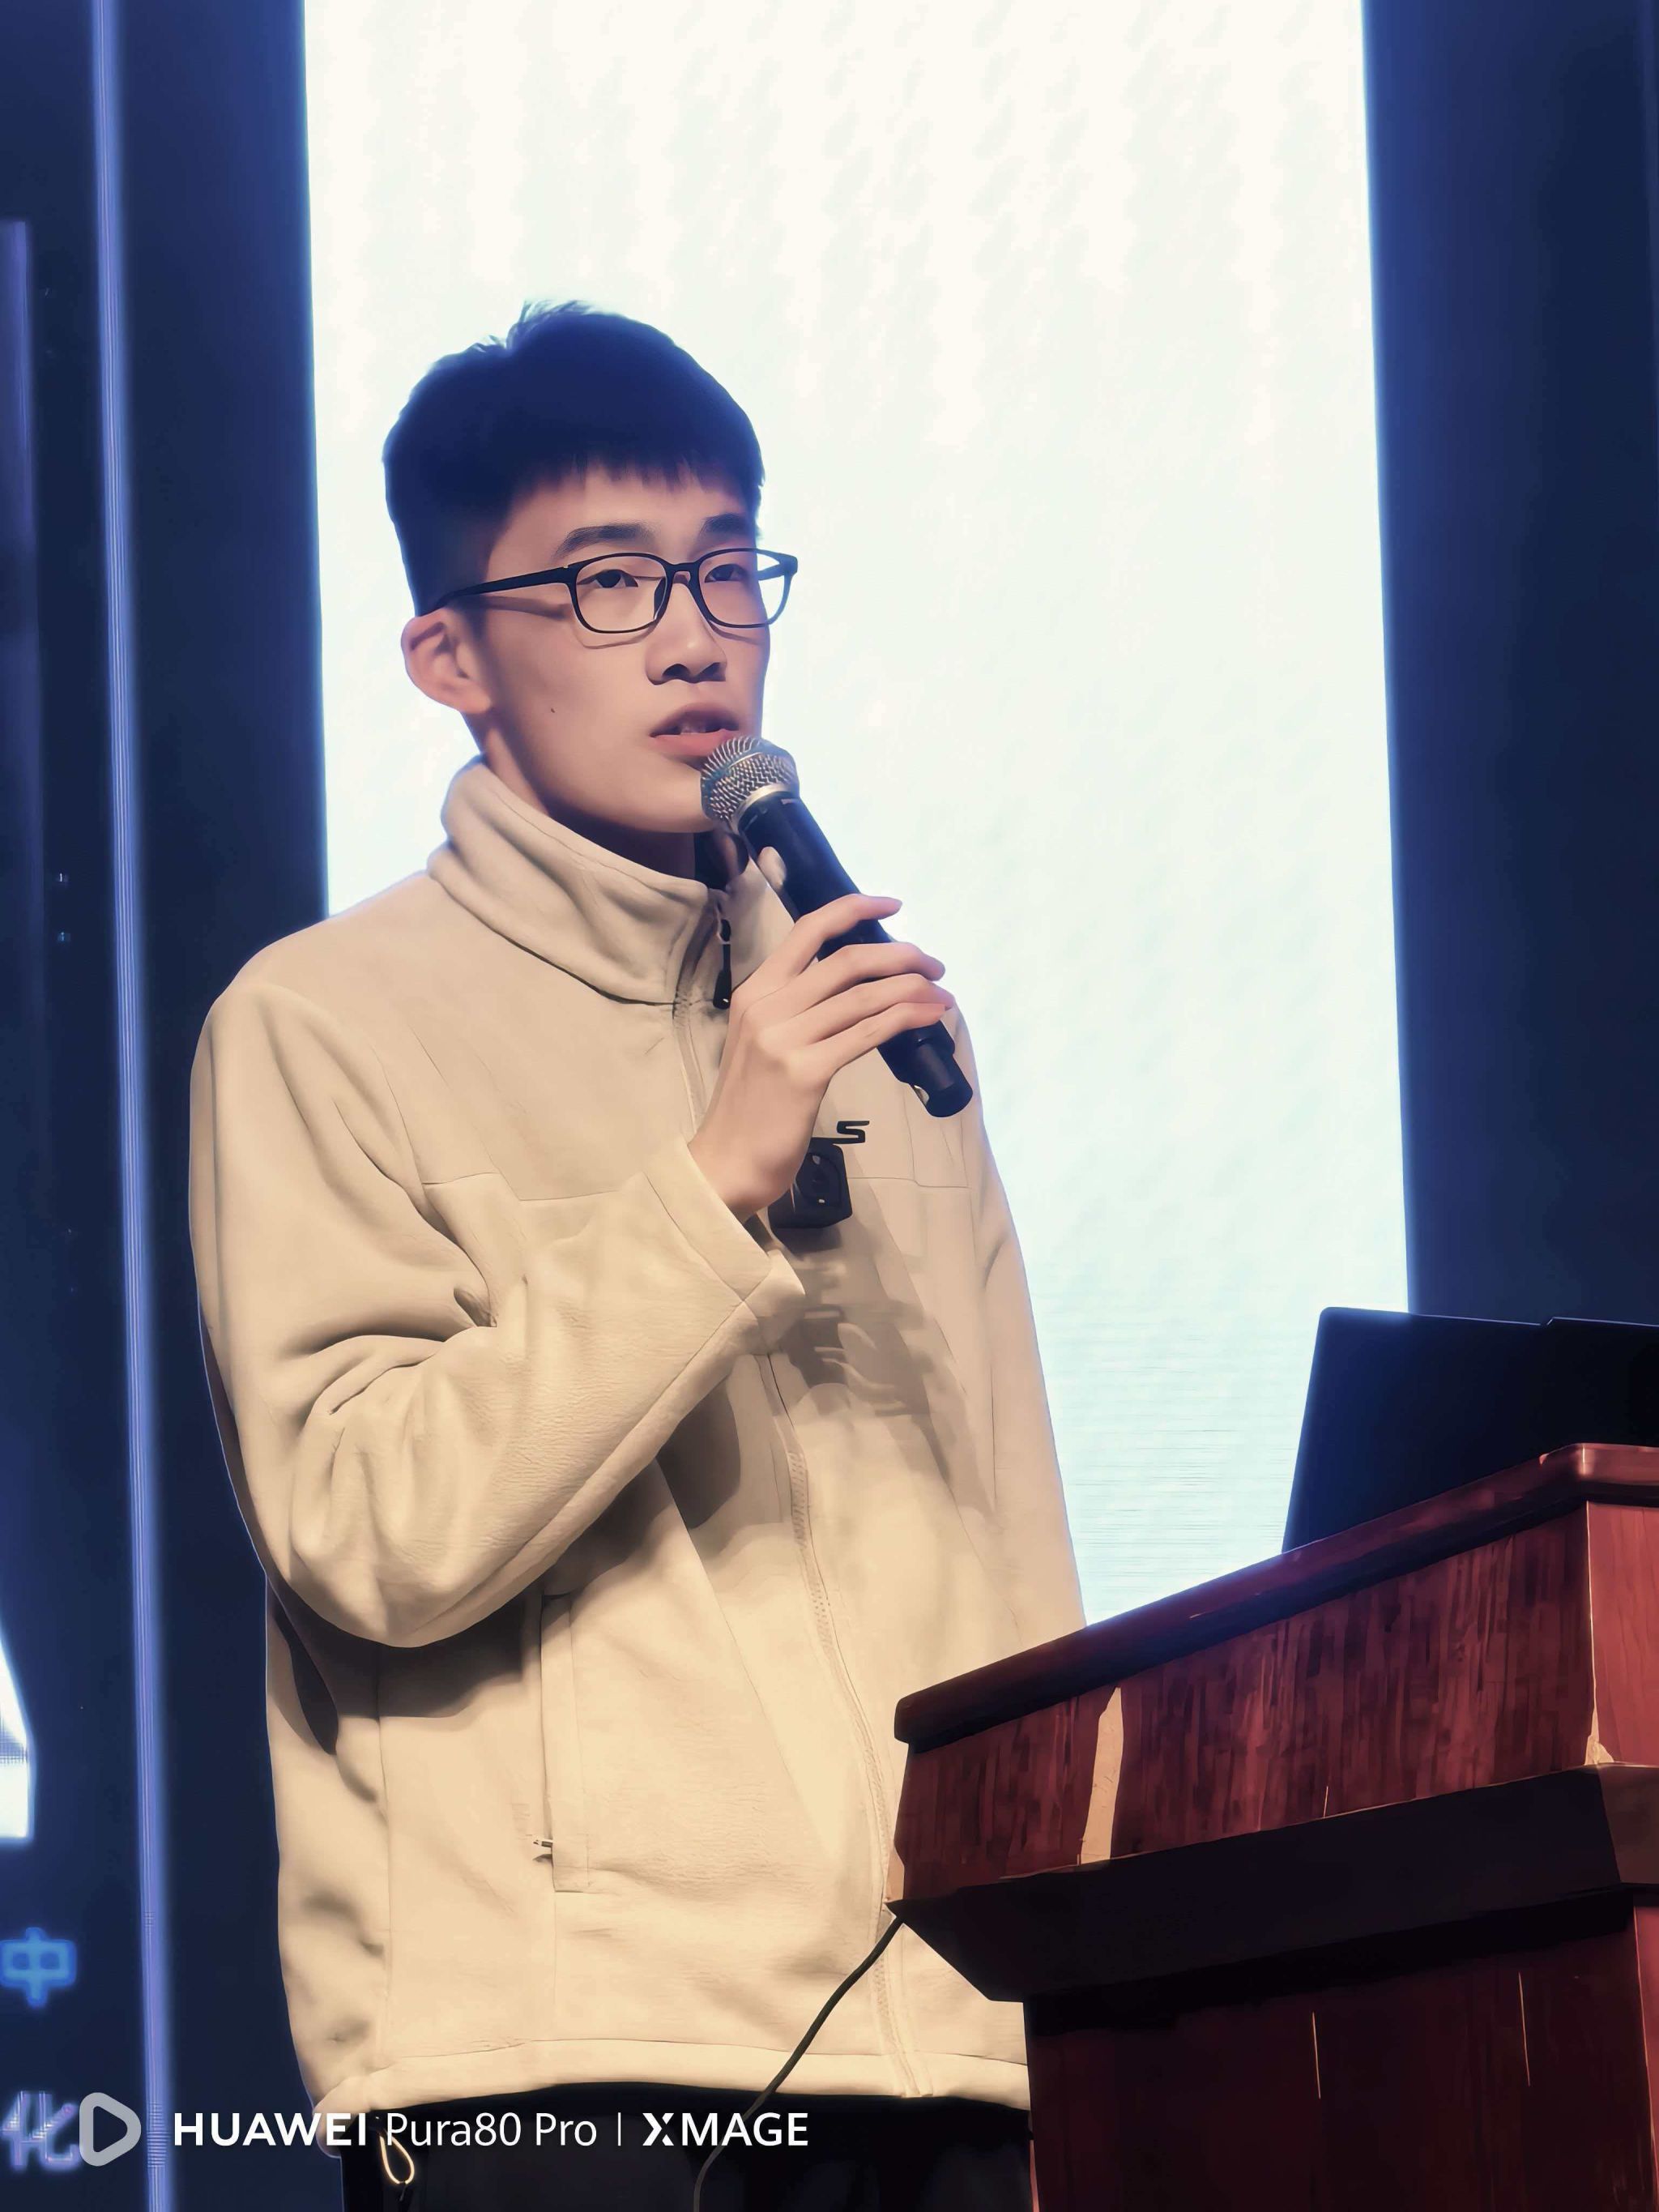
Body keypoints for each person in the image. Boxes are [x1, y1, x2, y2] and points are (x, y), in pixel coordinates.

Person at [187, 301, 1085, 2210]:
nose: (691, 636)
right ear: (449, 656)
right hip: (568, 2065)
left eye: (724, 569)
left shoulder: (869, 1018)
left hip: (948, 2041)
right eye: (606, 582)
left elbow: (1000, 1518)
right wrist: (706, 1188)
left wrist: (1061, 1966)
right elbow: (361, 1522)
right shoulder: (324, 1021)